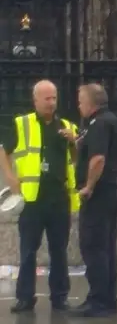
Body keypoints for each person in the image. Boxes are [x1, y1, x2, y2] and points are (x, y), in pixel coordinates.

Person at [0, 80, 80, 313]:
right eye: (46, 98)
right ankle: (25, 298)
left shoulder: (67, 126)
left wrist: (74, 141)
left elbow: (76, 159)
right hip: (33, 200)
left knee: (59, 250)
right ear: (35, 100)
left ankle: (60, 297)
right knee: (28, 251)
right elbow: (4, 150)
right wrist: (10, 178)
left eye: (54, 98)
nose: (51, 102)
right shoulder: (22, 124)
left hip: (58, 198)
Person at [70, 83, 117, 317]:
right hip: (114, 189)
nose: (79, 105)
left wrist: (88, 187)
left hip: (100, 193)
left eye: (81, 100)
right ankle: (108, 298)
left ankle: (98, 300)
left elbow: (98, 159)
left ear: (92, 103)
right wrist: (75, 140)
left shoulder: (99, 124)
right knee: (107, 246)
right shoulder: (111, 120)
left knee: (93, 245)